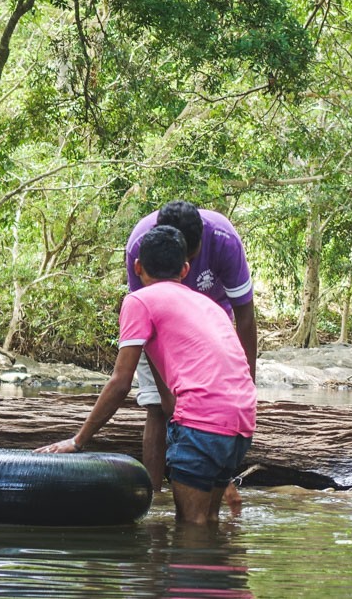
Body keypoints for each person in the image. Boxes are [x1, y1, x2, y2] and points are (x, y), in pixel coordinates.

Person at [37, 225, 256, 525]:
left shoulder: (140, 301)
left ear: (138, 267)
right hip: (242, 420)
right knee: (210, 521)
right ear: (185, 269)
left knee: (190, 527)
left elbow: (120, 382)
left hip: (203, 423)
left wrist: (77, 441)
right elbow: (174, 390)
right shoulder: (209, 305)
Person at [126, 200, 256, 504]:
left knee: (215, 407)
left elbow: (246, 317)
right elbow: (146, 322)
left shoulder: (224, 240)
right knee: (157, 408)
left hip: (211, 327)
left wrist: (247, 383)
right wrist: (166, 393)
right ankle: (154, 499)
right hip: (160, 329)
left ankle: (218, 485)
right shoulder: (142, 244)